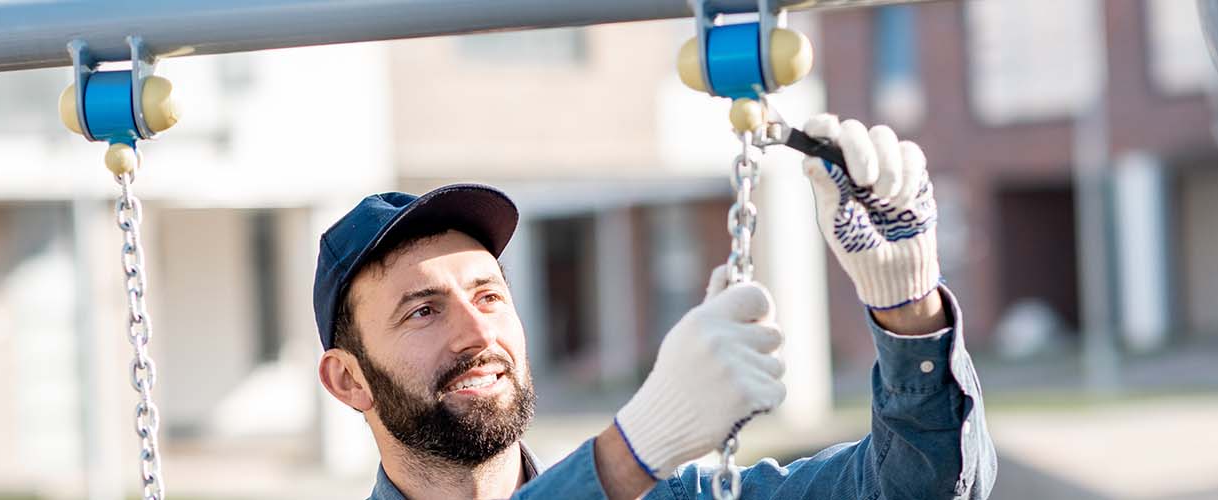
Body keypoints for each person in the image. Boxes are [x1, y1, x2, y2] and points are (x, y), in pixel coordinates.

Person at [312, 115, 996, 499]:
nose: (477, 331)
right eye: (423, 311)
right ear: (348, 379)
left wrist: (907, 307)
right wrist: (634, 448)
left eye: (490, 295)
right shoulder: (631, 473)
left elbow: (918, 490)